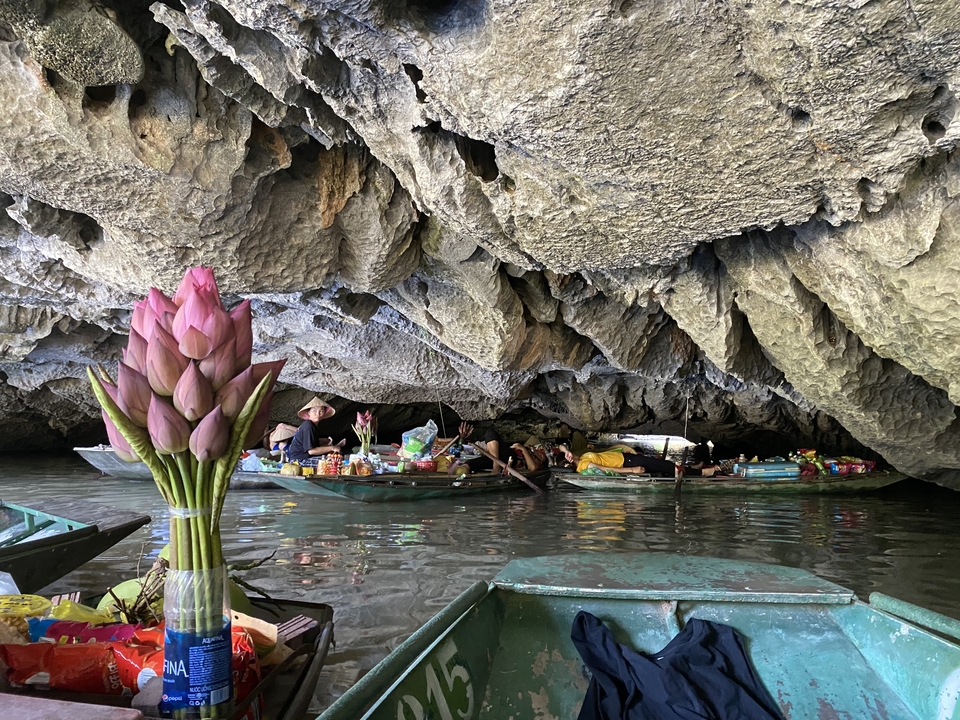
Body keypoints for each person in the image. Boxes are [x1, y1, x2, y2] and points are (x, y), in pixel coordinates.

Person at [560, 444, 679, 477]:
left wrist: (565, 451)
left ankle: (692, 469)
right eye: (568, 456)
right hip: (627, 463)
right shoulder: (584, 466)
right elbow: (607, 469)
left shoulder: (581, 458)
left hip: (625, 457)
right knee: (661, 465)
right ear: (570, 462)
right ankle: (691, 471)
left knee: (658, 465)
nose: (571, 454)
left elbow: (561, 445)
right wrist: (633, 470)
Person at [287, 397, 345, 463]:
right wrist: (332, 448)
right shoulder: (308, 425)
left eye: (321, 411)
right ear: (308, 412)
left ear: (324, 413)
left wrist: (322, 441)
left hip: (301, 458)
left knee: (335, 458)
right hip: (299, 460)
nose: (318, 414)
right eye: (314, 411)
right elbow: (311, 451)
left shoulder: (311, 426)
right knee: (333, 462)